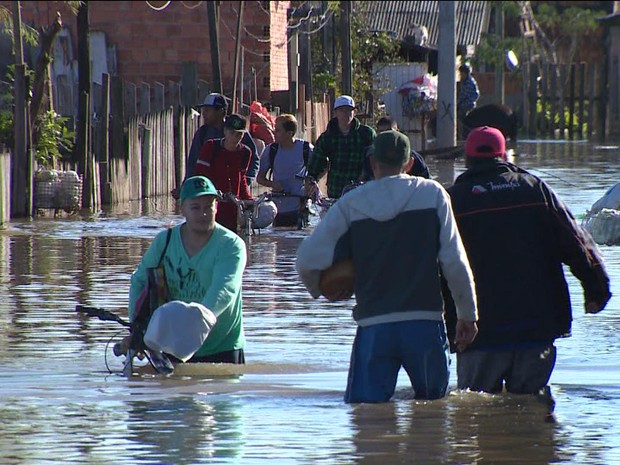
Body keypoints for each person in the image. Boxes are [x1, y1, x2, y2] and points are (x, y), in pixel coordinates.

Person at [296, 130, 479, 403]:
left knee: (367, 420)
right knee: (434, 417)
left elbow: (306, 260)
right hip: (425, 324)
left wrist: (323, 288)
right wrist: (467, 313)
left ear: (372, 162)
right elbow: (454, 260)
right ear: (408, 164)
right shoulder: (433, 195)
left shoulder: (351, 203)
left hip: (374, 326)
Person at [443, 126, 611, 398]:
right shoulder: (535, 190)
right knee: (532, 409)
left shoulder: (453, 200)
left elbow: (437, 264)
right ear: (506, 155)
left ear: (467, 159)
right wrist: (596, 290)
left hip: (478, 333)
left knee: (475, 416)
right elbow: (577, 244)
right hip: (537, 328)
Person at [127, 175, 248, 364]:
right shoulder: (164, 242)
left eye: (208, 206)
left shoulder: (231, 245)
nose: (203, 213)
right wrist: (137, 330)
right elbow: (139, 281)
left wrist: (193, 328)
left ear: (217, 206)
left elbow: (225, 290)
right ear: (182, 208)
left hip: (221, 348)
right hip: (173, 346)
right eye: (195, 207)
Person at [305, 95, 376, 199]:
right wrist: (311, 178)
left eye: (348, 110)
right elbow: (318, 160)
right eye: (341, 110)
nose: (345, 114)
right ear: (335, 113)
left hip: (362, 190)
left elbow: (375, 160)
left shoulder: (366, 134)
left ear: (354, 112)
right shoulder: (328, 136)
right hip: (336, 189)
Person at [194, 114, 254, 233]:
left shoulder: (245, 152)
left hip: (232, 209)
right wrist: (212, 192)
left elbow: (241, 178)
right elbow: (200, 177)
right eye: (232, 133)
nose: (236, 137)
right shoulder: (210, 147)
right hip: (211, 207)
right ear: (225, 131)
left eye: (239, 134)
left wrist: (248, 200)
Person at [185, 93, 259, 185]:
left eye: (208, 110)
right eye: (203, 110)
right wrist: (187, 186)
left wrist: (245, 181)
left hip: (234, 189)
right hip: (208, 189)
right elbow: (193, 162)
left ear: (220, 111)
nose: (204, 114)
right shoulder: (203, 133)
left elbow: (253, 159)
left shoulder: (236, 129)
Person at [256, 114, 314, 227]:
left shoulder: (306, 149)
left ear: (289, 134)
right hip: (278, 209)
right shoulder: (271, 151)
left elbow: (324, 165)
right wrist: (273, 184)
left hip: (301, 207)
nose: (273, 132)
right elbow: (260, 179)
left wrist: (311, 182)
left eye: (277, 130)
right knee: (280, 241)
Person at [364, 116, 430, 180]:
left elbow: (426, 178)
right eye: (382, 132)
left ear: (397, 131)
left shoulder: (412, 157)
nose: (386, 135)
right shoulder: (371, 156)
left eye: (389, 131)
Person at [457, 63, 480, 139]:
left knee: (459, 116)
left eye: (462, 73)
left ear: (465, 73)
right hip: (467, 102)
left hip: (468, 104)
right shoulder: (466, 81)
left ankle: (461, 135)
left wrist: (456, 104)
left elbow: (463, 96)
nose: (461, 75)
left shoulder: (468, 83)